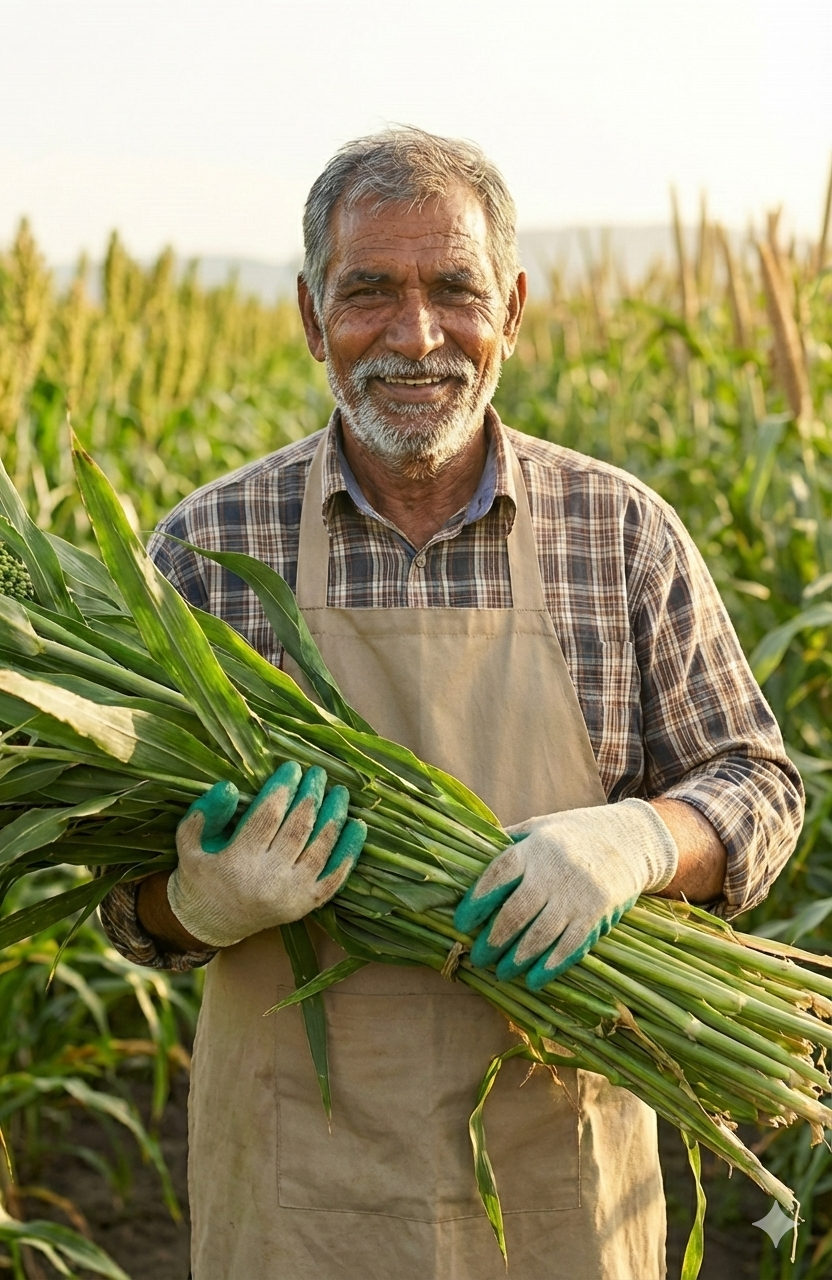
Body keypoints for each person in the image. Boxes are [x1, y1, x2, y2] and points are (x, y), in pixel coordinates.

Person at [99, 127, 804, 1280]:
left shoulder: (618, 532)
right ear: (310, 316)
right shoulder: (205, 551)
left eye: (454, 290)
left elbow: (759, 785)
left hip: (557, 1176)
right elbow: (124, 902)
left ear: (512, 307)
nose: (416, 335)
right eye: (369, 291)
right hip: (300, 1196)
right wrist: (196, 900)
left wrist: (637, 839)